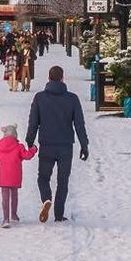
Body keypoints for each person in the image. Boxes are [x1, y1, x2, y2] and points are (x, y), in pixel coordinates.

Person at [25, 63, 90, 222]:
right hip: (65, 146)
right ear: (62, 78)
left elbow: (33, 122)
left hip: (46, 144)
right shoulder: (72, 98)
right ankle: (59, 214)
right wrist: (84, 144)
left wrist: (30, 140)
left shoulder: (39, 98)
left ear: (48, 78)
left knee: (43, 178)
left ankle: (46, 198)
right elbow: (79, 124)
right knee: (63, 181)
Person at [0, 123, 37, 226]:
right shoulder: (19, 146)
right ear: (15, 135)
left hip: (4, 177)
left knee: (5, 199)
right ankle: (14, 215)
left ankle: (6, 219)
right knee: (14, 196)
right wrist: (33, 149)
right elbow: (27, 156)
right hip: (15, 176)